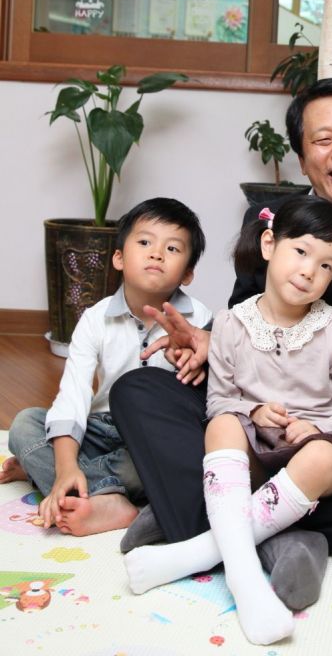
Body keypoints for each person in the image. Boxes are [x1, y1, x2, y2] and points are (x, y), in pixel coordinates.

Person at [110, 78, 332, 609]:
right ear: (303, 160)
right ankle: (282, 532)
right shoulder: (267, 222)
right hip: (258, 414)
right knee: (138, 390)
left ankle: (209, 529)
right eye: (323, 140)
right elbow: (247, 315)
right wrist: (209, 340)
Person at [126, 194, 332, 644]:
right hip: (258, 453)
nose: (309, 271)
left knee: (321, 456)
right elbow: (220, 402)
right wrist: (255, 412)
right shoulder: (230, 324)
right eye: (300, 252)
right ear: (268, 245)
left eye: (326, 265)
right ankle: (245, 576)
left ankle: (200, 551)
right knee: (221, 425)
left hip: (318, 457)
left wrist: (319, 429)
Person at [0, 197, 211, 537]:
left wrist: (194, 363)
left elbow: (198, 406)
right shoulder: (94, 319)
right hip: (100, 427)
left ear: (187, 273)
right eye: (145, 242)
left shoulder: (199, 321)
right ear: (119, 258)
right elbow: (73, 396)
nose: (157, 254)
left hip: (152, 435)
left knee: (153, 464)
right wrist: (66, 464)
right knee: (25, 425)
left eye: (172, 248)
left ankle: (61, 480)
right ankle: (93, 489)